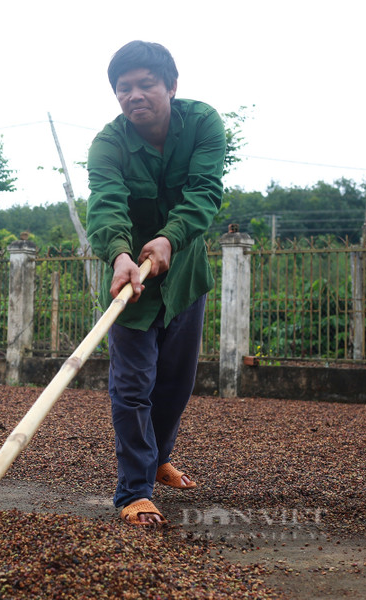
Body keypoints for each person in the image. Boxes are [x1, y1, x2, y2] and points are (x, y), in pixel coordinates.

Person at [86, 40, 226, 526]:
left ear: (171, 85)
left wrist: (170, 239)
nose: (134, 95)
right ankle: (133, 491)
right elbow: (106, 203)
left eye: (146, 84)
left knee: (174, 383)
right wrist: (122, 253)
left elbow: (205, 192)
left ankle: (159, 458)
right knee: (133, 386)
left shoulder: (204, 123)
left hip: (185, 274)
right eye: (124, 88)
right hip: (132, 283)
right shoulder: (109, 143)